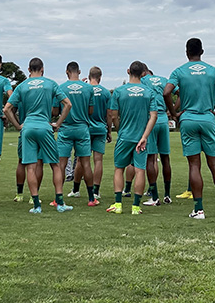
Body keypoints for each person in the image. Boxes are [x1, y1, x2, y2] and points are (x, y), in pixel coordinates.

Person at [163, 38, 215, 220]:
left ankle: (199, 210)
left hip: (188, 119)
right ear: (202, 51)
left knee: (194, 165)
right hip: (208, 118)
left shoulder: (179, 71)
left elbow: (166, 92)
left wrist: (174, 113)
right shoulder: (212, 70)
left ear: (186, 52)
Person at [3, 57, 73, 214]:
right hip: (45, 126)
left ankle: (36, 205)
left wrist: (18, 126)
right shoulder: (50, 83)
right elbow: (68, 104)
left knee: (30, 166)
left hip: (27, 127)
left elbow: (7, 109)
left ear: (29, 70)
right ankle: (60, 203)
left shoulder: (22, 86)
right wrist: (58, 123)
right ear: (43, 69)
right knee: (55, 165)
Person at [105, 61, 158, 215]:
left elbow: (113, 115)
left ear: (128, 71)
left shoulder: (119, 91)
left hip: (124, 136)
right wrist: (145, 136)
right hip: (141, 137)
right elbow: (153, 116)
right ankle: (136, 206)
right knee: (140, 170)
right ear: (143, 73)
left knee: (119, 169)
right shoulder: (149, 92)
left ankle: (118, 204)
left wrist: (120, 129)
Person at [56, 62, 98, 207]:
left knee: (61, 164)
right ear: (79, 71)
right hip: (82, 128)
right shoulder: (88, 88)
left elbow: (55, 112)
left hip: (66, 128)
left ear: (67, 71)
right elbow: (91, 111)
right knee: (85, 163)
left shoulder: (60, 88)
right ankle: (92, 198)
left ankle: (58, 198)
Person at [141, 66, 173, 206]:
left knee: (151, 158)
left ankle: (154, 197)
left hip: (151, 120)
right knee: (165, 158)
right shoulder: (163, 79)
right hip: (163, 120)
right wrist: (173, 111)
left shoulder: (143, 81)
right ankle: (167, 195)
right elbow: (179, 92)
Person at [86, 67, 112, 200]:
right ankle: (96, 190)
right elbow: (109, 114)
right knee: (98, 160)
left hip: (86, 129)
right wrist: (109, 130)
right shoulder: (106, 93)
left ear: (89, 76)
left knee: (82, 160)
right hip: (101, 128)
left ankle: (76, 189)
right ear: (100, 77)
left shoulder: (85, 90)